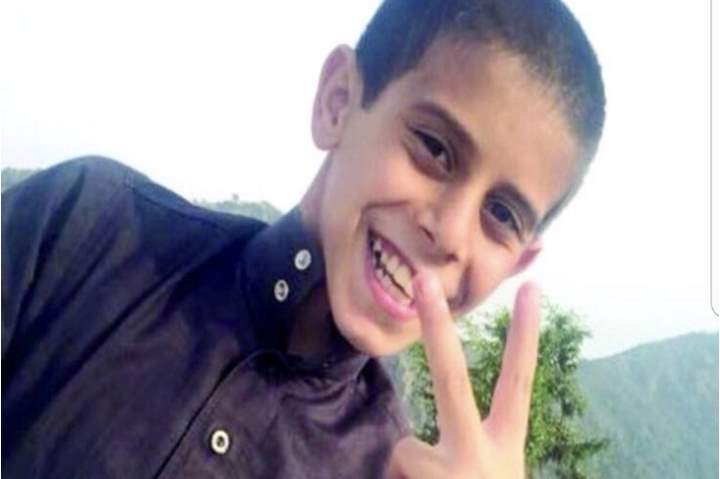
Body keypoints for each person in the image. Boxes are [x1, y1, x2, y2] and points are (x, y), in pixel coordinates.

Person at [1, 0, 605, 477]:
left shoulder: (391, 472)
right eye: (434, 147)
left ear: (519, 261)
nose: (449, 232)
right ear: (337, 102)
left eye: (501, 214)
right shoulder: (84, 230)